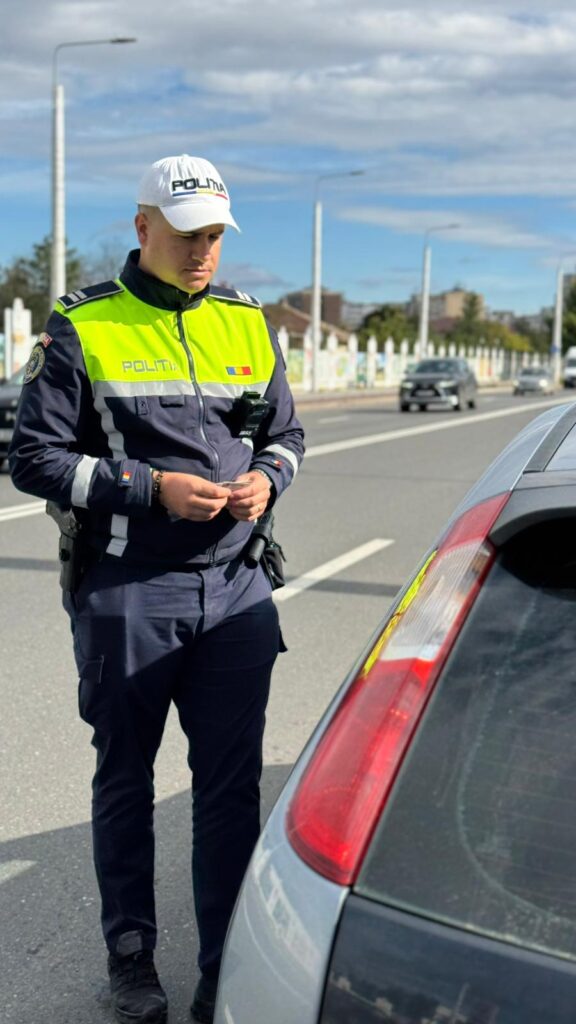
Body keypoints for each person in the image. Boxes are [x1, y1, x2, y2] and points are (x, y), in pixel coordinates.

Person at [9, 154, 305, 1024]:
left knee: (228, 789)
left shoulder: (250, 323)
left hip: (237, 589)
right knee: (126, 780)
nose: (203, 252)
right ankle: (132, 962)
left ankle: (224, 967)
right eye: (187, 235)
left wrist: (268, 480)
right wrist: (148, 489)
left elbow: (285, 435)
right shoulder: (81, 327)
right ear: (143, 228)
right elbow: (33, 459)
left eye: (215, 235)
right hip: (131, 589)